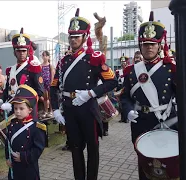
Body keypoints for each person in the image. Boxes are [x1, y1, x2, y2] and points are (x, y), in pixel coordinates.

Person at [50, 8, 118, 180]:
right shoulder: (63, 62)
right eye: (71, 36)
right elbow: (53, 87)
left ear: (85, 37)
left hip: (88, 109)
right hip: (70, 110)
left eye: (77, 36)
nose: (73, 40)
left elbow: (112, 81)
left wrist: (90, 93)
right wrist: (56, 110)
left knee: (93, 148)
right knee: (75, 148)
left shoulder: (94, 58)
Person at [120, 11, 177, 180]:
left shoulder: (170, 69)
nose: (149, 47)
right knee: (145, 167)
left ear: (160, 45)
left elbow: (183, 94)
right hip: (142, 123)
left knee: (169, 167)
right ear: (140, 46)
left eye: (153, 43)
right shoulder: (131, 71)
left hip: (167, 121)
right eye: (145, 44)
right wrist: (128, 110)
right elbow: (124, 97)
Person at [0, 28, 44, 114]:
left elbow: (40, 91)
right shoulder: (10, 70)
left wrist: (24, 104)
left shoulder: (33, 67)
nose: (21, 53)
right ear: (14, 52)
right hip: (11, 108)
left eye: (23, 51)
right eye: (18, 51)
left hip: (27, 110)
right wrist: (2, 99)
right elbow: (7, 89)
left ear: (28, 52)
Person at [5, 84, 46, 180]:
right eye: (15, 108)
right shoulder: (11, 124)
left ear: (30, 110)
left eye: (21, 108)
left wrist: (23, 157)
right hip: (14, 166)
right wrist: (8, 158)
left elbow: (38, 149)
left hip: (29, 167)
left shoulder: (36, 127)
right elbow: (8, 143)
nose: (18, 111)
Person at [40, 51, 55, 118]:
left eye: (46, 56)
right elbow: (40, 75)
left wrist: (51, 82)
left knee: (50, 97)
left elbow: (52, 75)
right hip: (43, 84)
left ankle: (51, 111)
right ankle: (46, 110)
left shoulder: (50, 65)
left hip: (49, 83)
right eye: (43, 56)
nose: (44, 57)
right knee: (45, 98)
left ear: (48, 57)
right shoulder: (41, 66)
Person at [115, 54, 129, 123]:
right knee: (120, 104)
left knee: (125, 102)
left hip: (126, 88)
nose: (123, 64)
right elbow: (116, 80)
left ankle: (126, 118)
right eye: (122, 63)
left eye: (124, 63)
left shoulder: (129, 70)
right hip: (120, 88)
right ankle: (122, 118)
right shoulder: (118, 71)